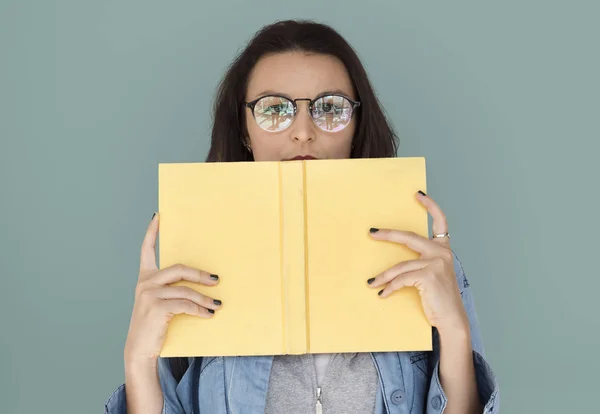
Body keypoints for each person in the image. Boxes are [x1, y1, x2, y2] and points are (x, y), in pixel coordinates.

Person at [104, 19, 499, 414]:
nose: (303, 131)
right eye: (274, 109)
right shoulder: (191, 261)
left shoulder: (425, 264)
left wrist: (454, 331)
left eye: (330, 108)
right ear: (244, 129)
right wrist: (139, 362)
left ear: (356, 125)